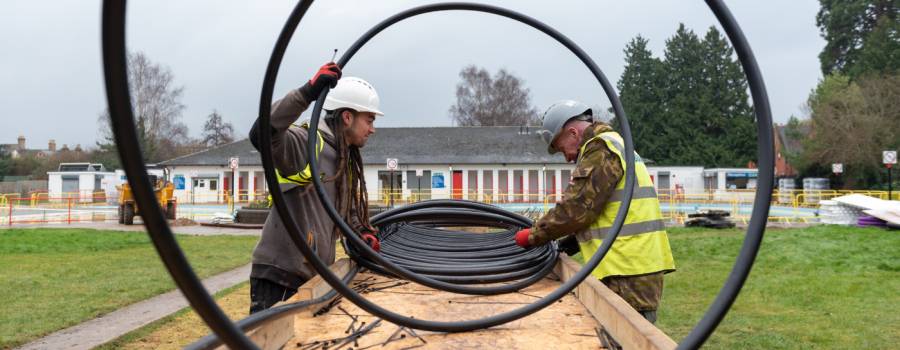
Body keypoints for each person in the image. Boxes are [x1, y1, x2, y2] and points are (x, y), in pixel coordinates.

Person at [514, 100, 675, 323]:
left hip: (626, 270)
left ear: (572, 133)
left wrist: (533, 236)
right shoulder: (616, 144)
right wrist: (567, 244)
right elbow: (601, 213)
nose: (567, 157)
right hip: (633, 264)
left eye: (562, 149)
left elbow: (577, 209)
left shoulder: (600, 149)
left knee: (626, 338)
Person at [247, 62, 382, 313]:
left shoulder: (343, 158)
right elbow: (262, 133)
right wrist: (307, 92)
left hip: (314, 276)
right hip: (281, 276)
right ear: (347, 117)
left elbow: (344, 210)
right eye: (369, 120)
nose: (372, 129)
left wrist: (362, 232)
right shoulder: (306, 144)